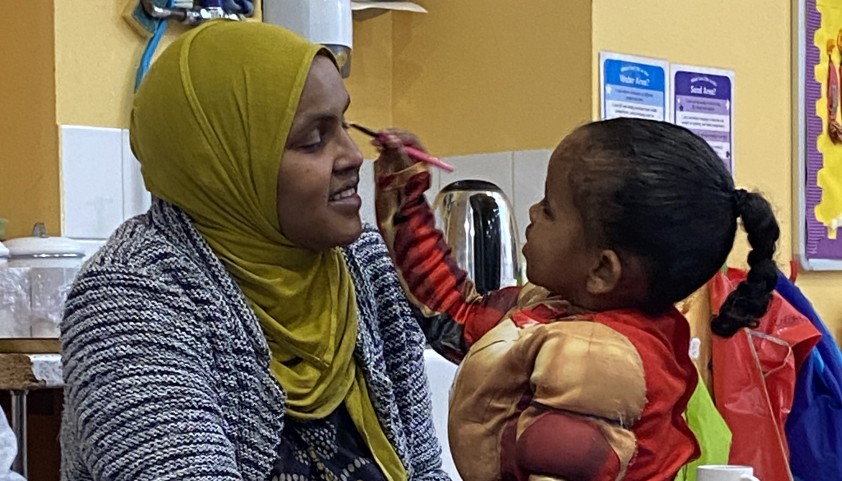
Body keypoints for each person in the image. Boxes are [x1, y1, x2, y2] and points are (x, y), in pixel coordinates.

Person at [60, 20, 449, 481]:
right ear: (223, 163)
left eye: (344, 125)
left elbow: (424, 468)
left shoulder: (361, 261)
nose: (352, 156)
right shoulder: (131, 297)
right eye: (313, 139)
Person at [373, 118, 781, 481]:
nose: (532, 211)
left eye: (549, 209)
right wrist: (406, 193)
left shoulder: (600, 366)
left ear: (603, 271)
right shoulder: (556, 311)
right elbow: (457, 317)